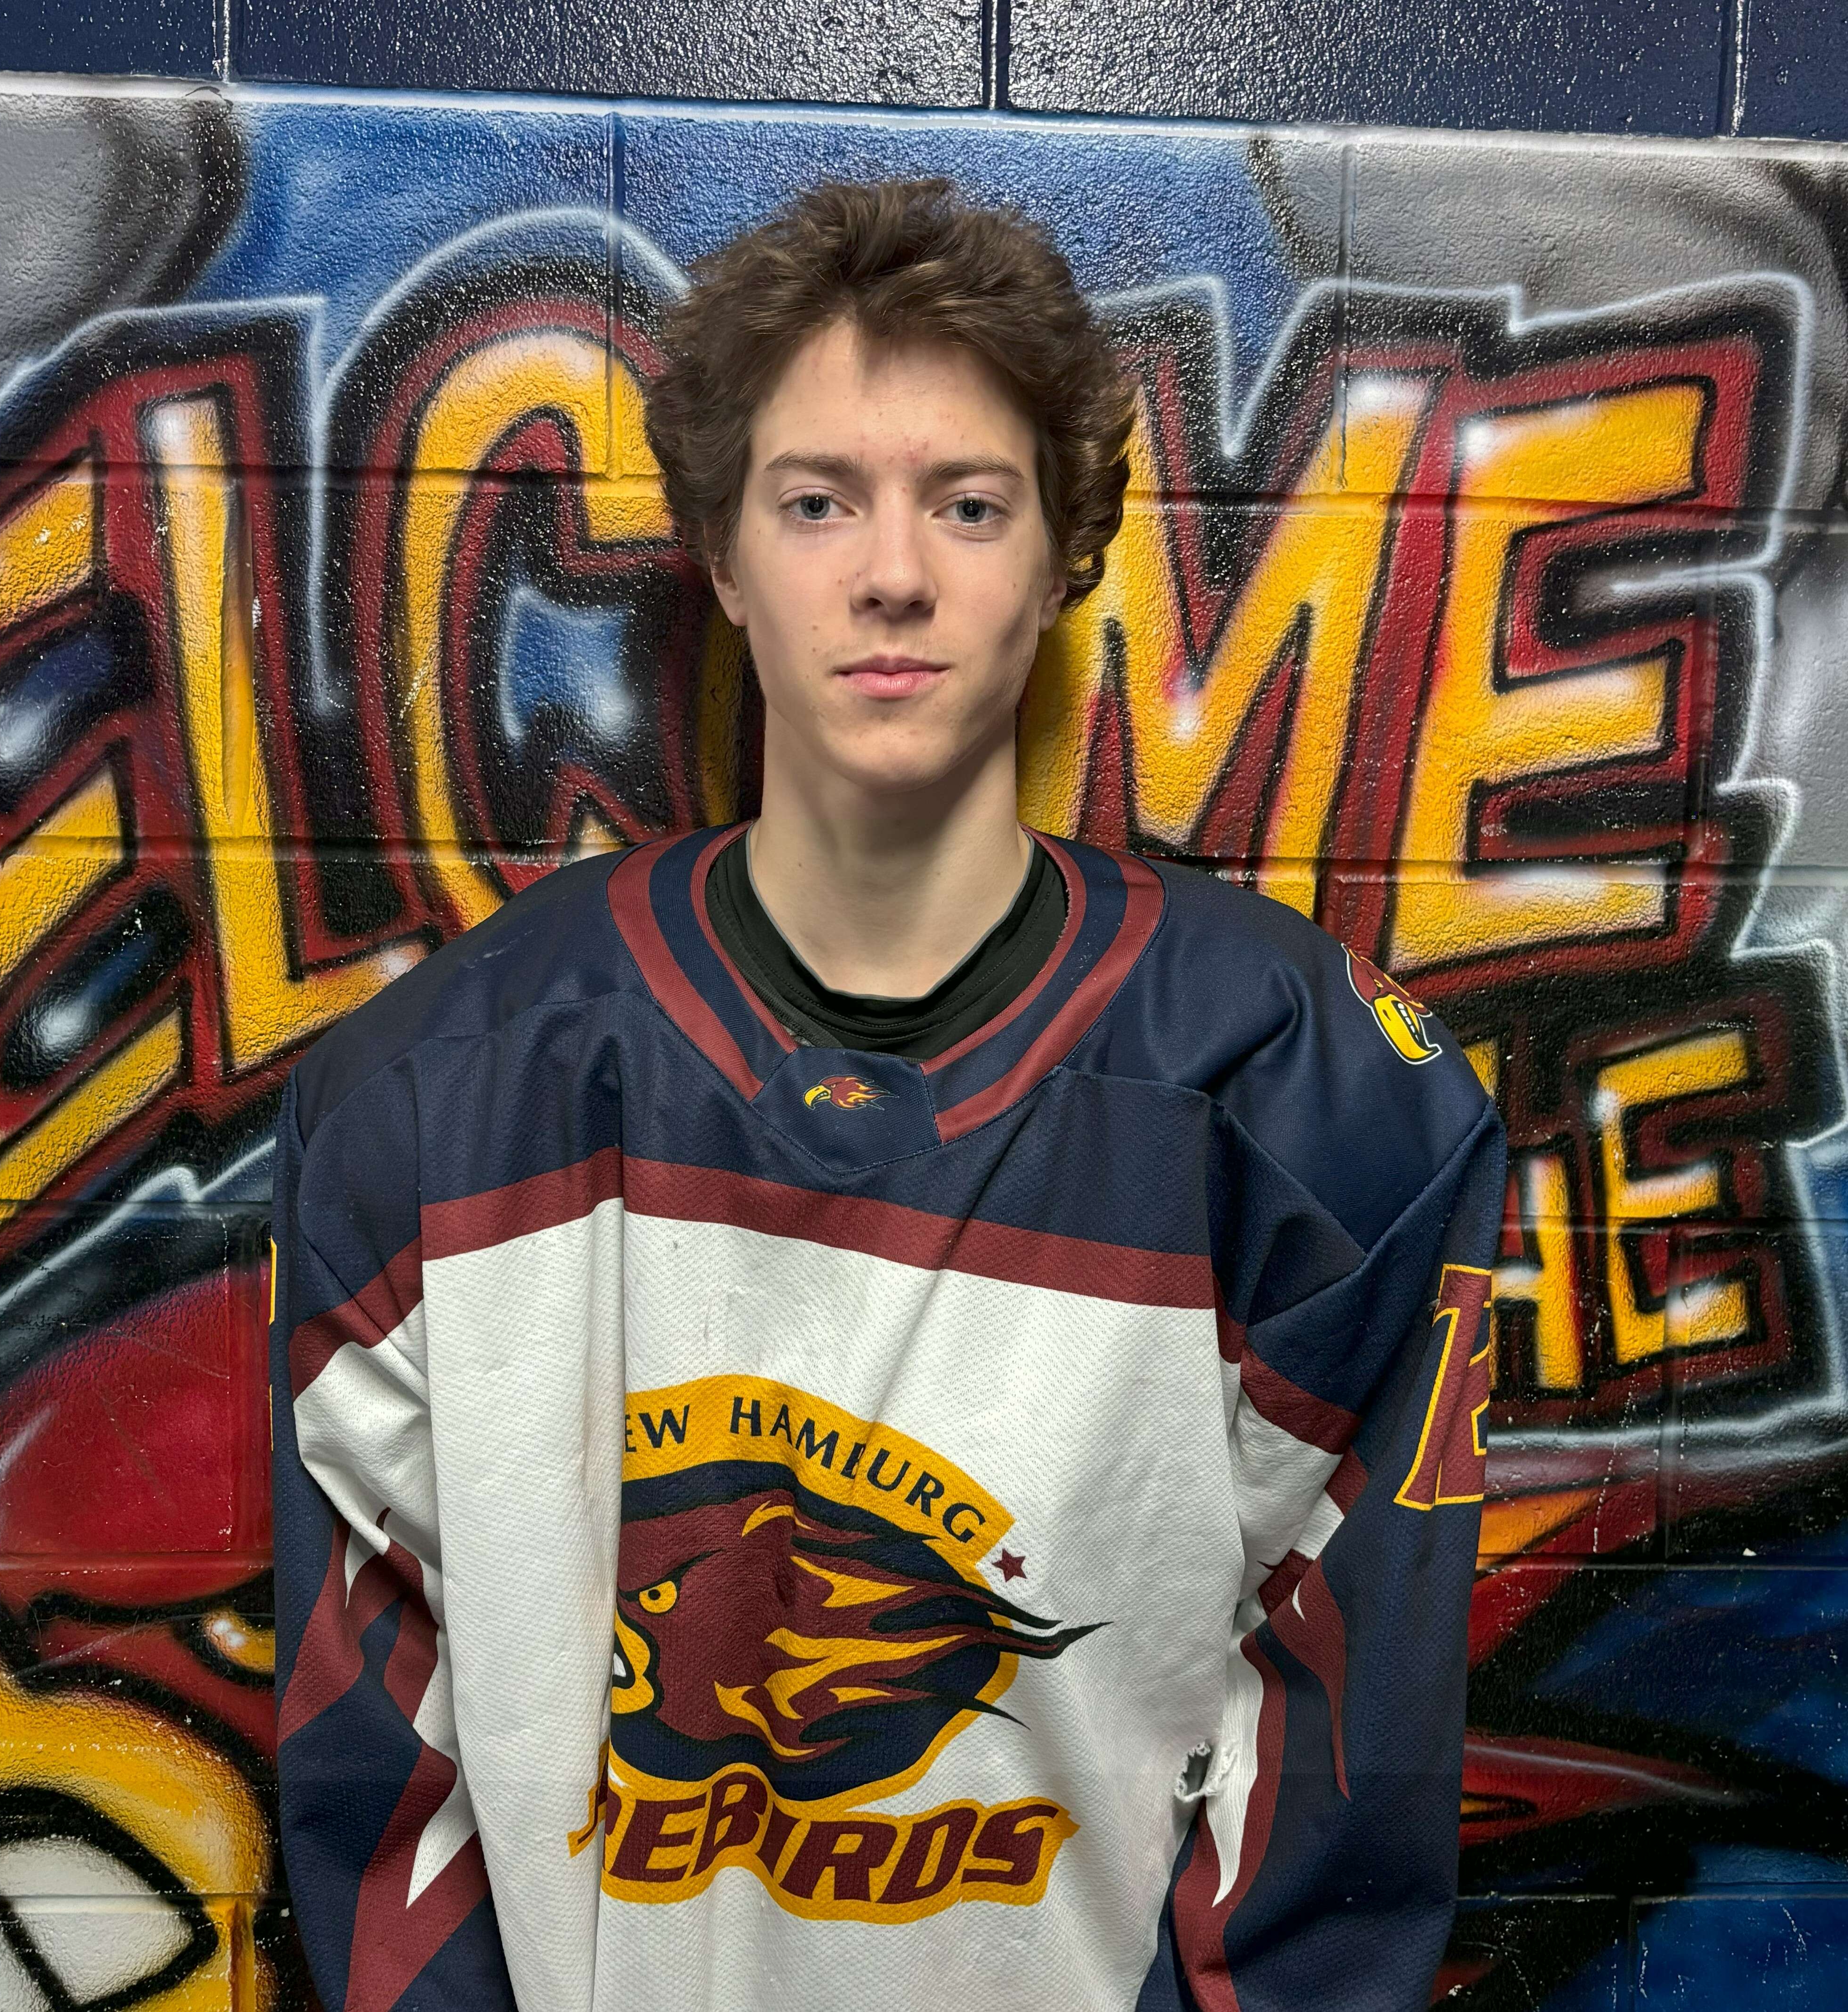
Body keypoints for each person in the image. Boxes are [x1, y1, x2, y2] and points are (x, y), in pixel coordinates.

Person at [270, 177, 1506, 2012]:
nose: (894, 573)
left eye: (970, 503)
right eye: (818, 500)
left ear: (1067, 557)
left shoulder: (1313, 1108)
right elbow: (383, 1809)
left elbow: (1334, 1822)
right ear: (720, 556)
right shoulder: (431, 1105)